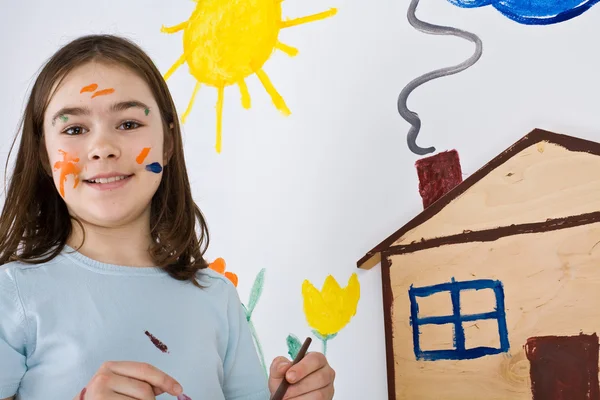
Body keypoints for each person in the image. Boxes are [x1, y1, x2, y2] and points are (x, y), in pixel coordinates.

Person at [0, 34, 335, 400]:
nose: (103, 149)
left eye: (128, 124)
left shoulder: (217, 298)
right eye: (74, 129)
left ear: (169, 142)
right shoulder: (11, 295)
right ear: (46, 156)